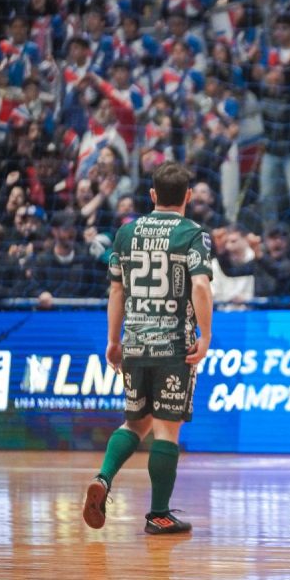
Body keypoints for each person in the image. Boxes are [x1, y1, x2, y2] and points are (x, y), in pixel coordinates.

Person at [82, 162, 214, 536]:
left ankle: (103, 478)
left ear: (153, 195)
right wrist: (205, 336)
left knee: (136, 423)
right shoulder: (193, 234)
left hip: (135, 345)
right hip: (174, 348)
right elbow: (200, 286)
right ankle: (158, 514)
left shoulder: (126, 233)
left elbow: (116, 290)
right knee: (166, 432)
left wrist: (113, 341)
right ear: (188, 196)